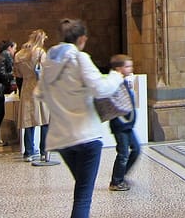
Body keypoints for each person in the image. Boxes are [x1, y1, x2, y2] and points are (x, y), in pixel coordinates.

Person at [36, 18, 123, 218]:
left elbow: (39, 93)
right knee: (83, 197)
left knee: (82, 188)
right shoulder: (79, 58)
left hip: (63, 139)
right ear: (82, 39)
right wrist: (117, 76)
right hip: (86, 136)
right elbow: (101, 88)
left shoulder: (49, 62)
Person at [14, 29, 52, 163]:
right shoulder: (40, 53)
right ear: (41, 39)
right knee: (45, 120)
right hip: (40, 88)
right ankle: (44, 152)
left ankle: (28, 152)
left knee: (28, 121)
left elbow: (17, 75)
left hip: (26, 88)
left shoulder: (18, 55)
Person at [107, 55, 142, 192]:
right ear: (118, 68)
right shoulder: (114, 83)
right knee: (123, 153)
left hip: (127, 125)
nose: (130, 69)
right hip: (120, 125)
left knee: (136, 149)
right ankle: (116, 181)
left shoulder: (124, 82)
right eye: (127, 66)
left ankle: (121, 175)